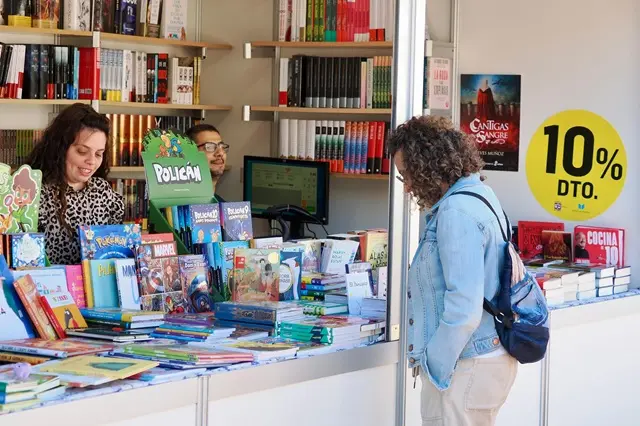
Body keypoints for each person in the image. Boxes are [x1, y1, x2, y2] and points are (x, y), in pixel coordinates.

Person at [388, 115, 517, 426]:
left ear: (428, 166)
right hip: (485, 357)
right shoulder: (480, 195)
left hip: (465, 364)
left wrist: (434, 365)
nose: (407, 188)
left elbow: (464, 307)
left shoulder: (456, 212)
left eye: (407, 175)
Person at [26, 103, 124, 265]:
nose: (91, 161)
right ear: (60, 148)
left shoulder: (104, 192)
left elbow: (117, 253)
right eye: (82, 151)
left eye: (98, 154)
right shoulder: (33, 194)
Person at [186, 124, 229, 202]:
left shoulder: (224, 206)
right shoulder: (174, 208)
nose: (220, 153)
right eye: (210, 147)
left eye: (222, 147)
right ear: (190, 154)